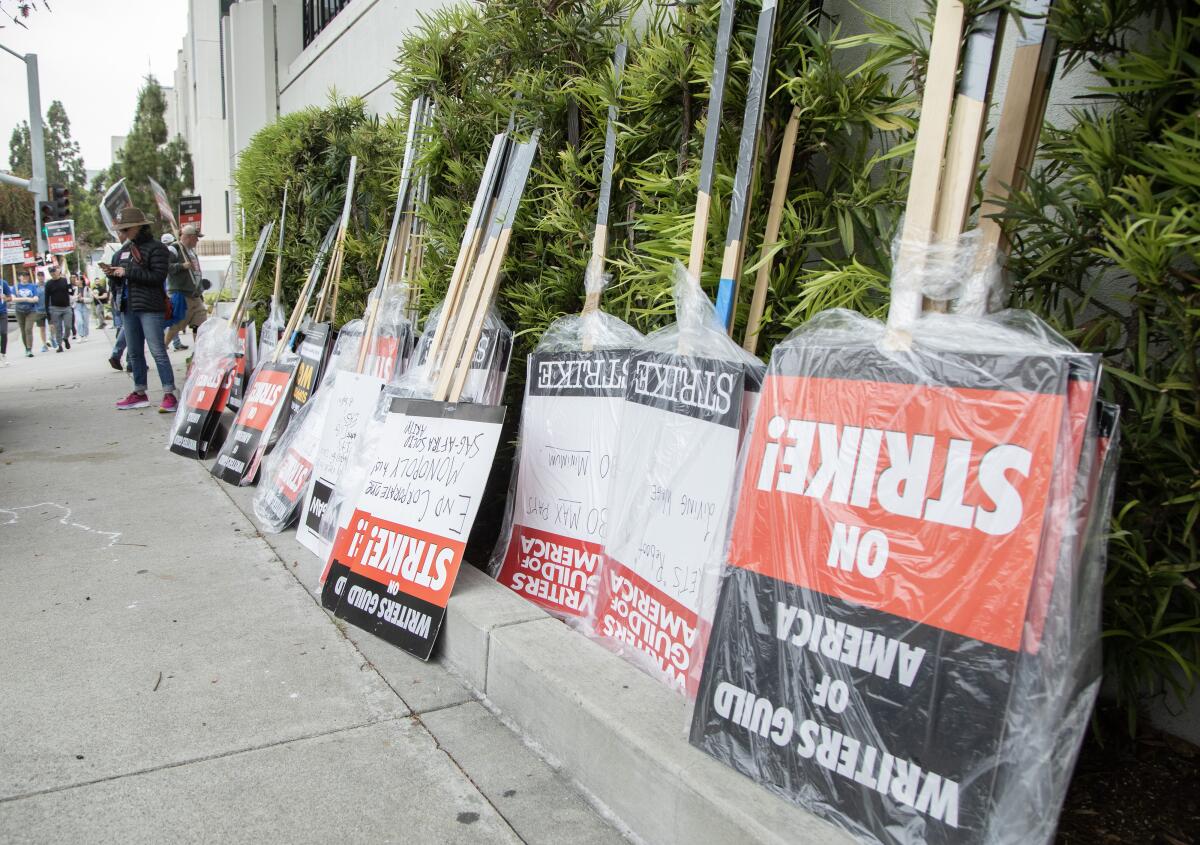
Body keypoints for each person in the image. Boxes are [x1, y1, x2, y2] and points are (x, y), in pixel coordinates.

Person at [100, 207, 177, 411]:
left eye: (126, 229)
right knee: (134, 353)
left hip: (150, 306)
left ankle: (169, 393)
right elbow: (119, 280)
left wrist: (127, 272)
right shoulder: (121, 252)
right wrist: (111, 273)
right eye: (120, 230)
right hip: (128, 306)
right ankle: (139, 391)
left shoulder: (157, 248)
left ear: (139, 227)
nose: (122, 233)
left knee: (157, 350)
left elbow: (158, 278)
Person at [164, 225, 208, 351]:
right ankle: (163, 347)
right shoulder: (174, 249)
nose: (198, 241)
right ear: (189, 237)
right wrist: (181, 266)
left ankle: (199, 353)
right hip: (181, 295)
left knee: (200, 324)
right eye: (196, 238)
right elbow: (165, 267)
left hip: (195, 295)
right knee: (177, 325)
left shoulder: (191, 252)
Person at [44, 264, 73, 352]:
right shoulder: (49, 284)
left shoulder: (64, 280)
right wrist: (48, 314)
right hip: (55, 308)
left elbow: (70, 292)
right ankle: (59, 345)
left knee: (68, 325)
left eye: (54, 272)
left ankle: (66, 337)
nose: (53, 274)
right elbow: (46, 298)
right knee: (58, 328)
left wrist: (69, 284)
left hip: (66, 307)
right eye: (51, 273)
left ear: (57, 272)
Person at [73, 272, 91, 340]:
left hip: (85, 307)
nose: (77, 281)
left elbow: (91, 299)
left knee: (85, 322)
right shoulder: (75, 289)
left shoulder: (87, 289)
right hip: (77, 306)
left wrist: (83, 299)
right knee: (79, 321)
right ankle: (80, 335)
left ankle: (86, 335)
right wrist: (77, 297)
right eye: (76, 280)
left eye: (78, 280)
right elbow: (72, 298)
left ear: (82, 281)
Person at [0, 274, 12, 365]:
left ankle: (3, 354)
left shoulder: (3, 283)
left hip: (2, 312)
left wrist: (5, 298)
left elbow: (10, 297)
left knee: (3, 332)